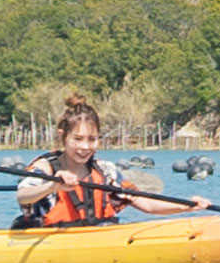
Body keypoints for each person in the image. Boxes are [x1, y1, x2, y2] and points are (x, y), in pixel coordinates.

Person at [11, 94, 207, 229]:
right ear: (63, 136)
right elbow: (23, 196)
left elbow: (145, 203)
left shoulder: (105, 171)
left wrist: (186, 206)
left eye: (92, 139)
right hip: (52, 242)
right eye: (77, 139)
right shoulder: (45, 167)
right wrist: (52, 186)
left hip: (97, 237)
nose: (85, 147)